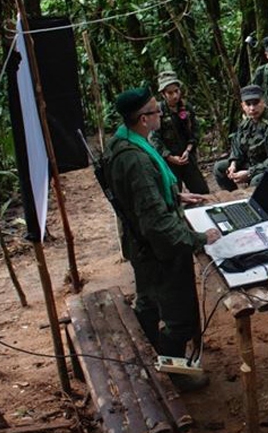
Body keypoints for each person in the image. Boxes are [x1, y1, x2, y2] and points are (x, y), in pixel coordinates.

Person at [103, 87, 221, 391]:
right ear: (144, 119)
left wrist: (175, 194)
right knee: (179, 318)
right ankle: (176, 373)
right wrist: (197, 239)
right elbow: (156, 224)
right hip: (157, 251)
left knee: (148, 301)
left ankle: (152, 350)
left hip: (141, 246)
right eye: (156, 111)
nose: (160, 114)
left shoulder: (124, 142)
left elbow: (143, 196)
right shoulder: (136, 160)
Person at [212, 85, 268, 190]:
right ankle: (235, 197)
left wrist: (249, 173)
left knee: (257, 180)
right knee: (220, 168)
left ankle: (256, 203)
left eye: (256, 103)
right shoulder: (246, 122)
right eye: (248, 104)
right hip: (254, 164)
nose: (252, 108)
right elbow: (237, 145)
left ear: (263, 102)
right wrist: (233, 164)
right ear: (242, 106)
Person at [151, 71, 209, 194]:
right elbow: (154, 138)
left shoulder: (187, 108)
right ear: (163, 94)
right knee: (174, 197)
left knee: (202, 192)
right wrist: (169, 157)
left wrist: (188, 149)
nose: (175, 96)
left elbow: (195, 131)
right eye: (170, 93)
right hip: (169, 162)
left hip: (187, 157)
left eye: (176, 91)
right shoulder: (158, 111)